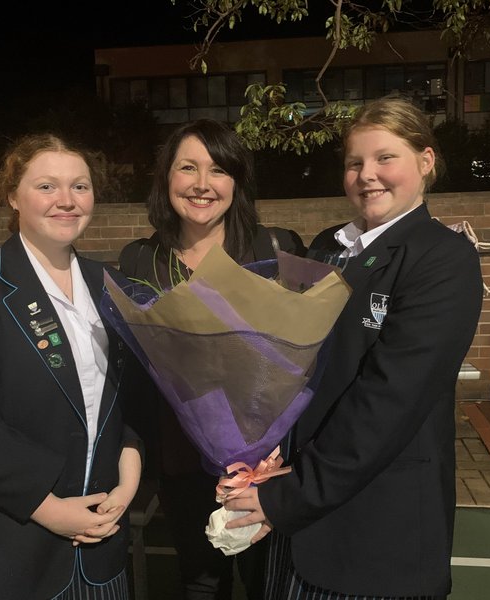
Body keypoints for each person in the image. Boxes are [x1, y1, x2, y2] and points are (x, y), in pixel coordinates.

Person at [222, 95, 485, 599]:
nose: (368, 174)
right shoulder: (324, 246)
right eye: (354, 162)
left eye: (386, 158)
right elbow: (292, 366)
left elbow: (387, 403)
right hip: (297, 516)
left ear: (425, 162)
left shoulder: (443, 260)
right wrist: (266, 450)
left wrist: (290, 496)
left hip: (372, 533)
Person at [0, 133, 143, 600]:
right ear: (12, 196)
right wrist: (49, 508)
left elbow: (129, 401)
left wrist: (129, 477)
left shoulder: (113, 285)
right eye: (46, 187)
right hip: (4, 552)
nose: (66, 200)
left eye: (80, 186)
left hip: (100, 546)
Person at [117, 118, 306, 600]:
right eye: (188, 168)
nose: (203, 184)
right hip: (183, 457)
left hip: (268, 463)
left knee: (268, 581)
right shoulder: (142, 259)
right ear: (167, 178)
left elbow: (303, 355)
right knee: (200, 580)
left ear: (237, 182)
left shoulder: (276, 248)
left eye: (219, 170)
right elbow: (138, 369)